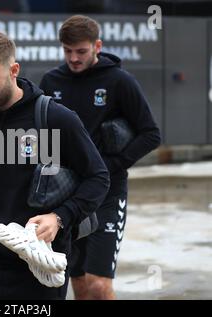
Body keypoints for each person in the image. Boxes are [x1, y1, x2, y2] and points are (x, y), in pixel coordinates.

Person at [0, 30, 110, 300]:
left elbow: (98, 178)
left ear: (13, 70)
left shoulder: (55, 118)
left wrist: (60, 217)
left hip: (43, 262)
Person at [39, 15, 161, 300]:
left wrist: (108, 165)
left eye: (81, 51)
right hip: (68, 196)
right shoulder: (51, 80)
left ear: (97, 46)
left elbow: (150, 134)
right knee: (78, 282)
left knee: (98, 284)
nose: (74, 58)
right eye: (67, 51)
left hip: (107, 193)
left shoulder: (119, 81)